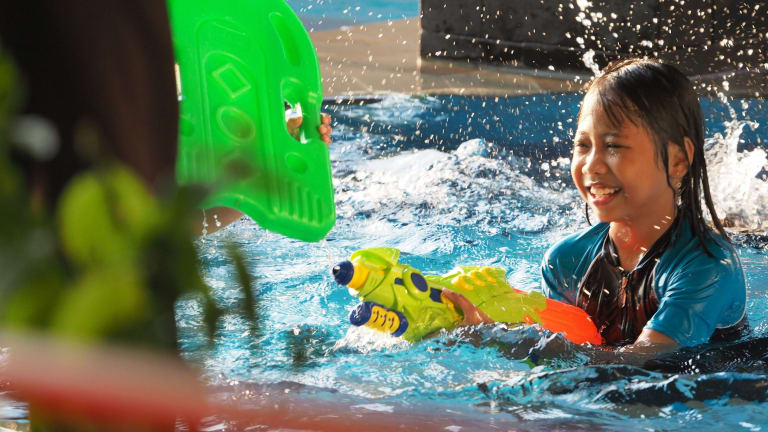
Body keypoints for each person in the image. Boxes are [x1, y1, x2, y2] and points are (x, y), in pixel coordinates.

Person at [443, 58, 748, 354]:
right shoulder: (566, 262)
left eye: (613, 146)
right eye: (583, 145)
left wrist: (501, 340)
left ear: (677, 161)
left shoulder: (707, 266)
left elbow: (644, 359)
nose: (591, 164)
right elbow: (565, 358)